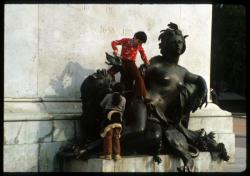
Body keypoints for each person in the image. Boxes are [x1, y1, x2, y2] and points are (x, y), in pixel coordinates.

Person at [108, 31, 151, 102]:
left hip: (131, 63)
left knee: (138, 78)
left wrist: (146, 62)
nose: (139, 44)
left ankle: (143, 96)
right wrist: (115, 50)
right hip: (122, 61)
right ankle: (111, 89)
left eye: (141, 43)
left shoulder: (139, 46)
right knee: (110, 72)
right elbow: (114, 42)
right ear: (135, 37)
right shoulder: (126, 40)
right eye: (139, 41)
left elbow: (143, 54)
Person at [99, 83, 126, 161]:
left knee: (108, 136)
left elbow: (101, 105)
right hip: (119, 119)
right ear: (122, 91)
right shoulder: (124, 99)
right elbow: (123, 109)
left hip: (108, 118)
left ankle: (108, 155)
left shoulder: (108, 96)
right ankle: (117, 155)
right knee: (116, 136)